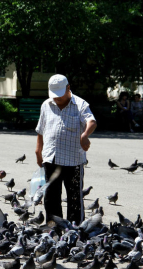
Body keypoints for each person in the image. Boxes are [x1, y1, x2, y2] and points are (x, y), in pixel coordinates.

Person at [35, 74, 97, 225]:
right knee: (51, 196)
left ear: (68, 88)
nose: (56, 99)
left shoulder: (80, 105)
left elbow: (91, 121)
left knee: (74, 197)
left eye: (59, 95)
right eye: (54, 95)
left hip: (73, 160)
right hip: (51, 158)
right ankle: (54, 228)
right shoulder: (46, 105)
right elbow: (41, 129)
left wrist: (84, 135)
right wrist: (38, 150)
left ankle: (74, 230)